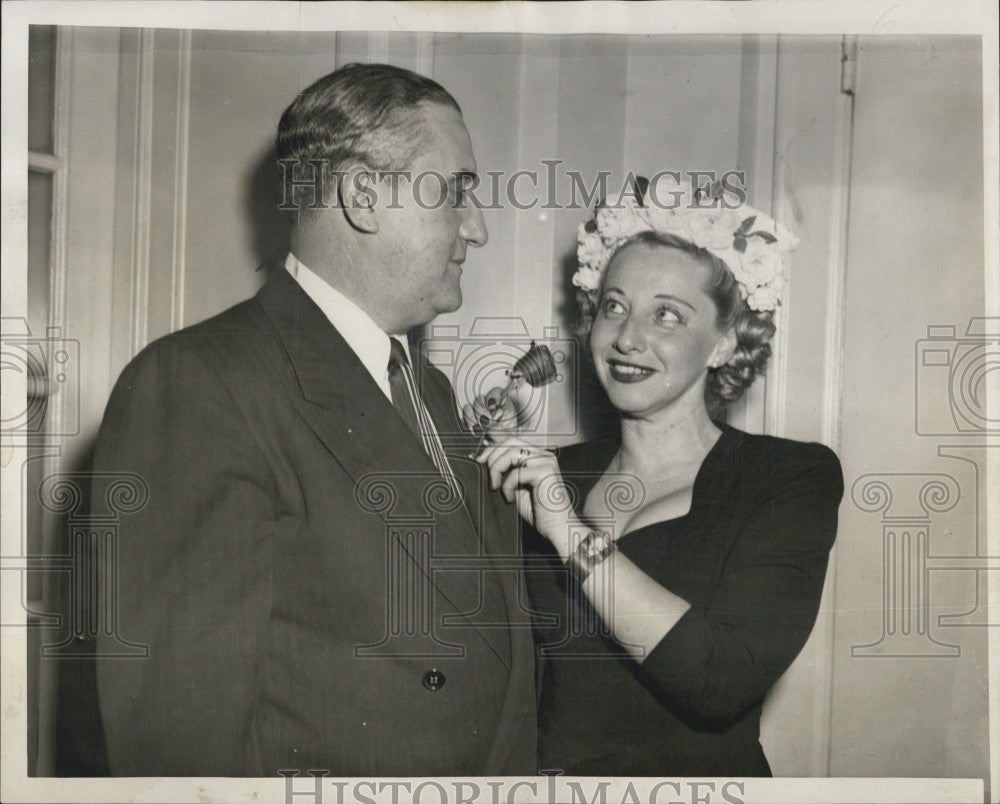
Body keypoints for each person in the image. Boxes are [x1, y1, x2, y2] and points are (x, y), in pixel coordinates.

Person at [93, 63, 537, 777]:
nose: (477, 228)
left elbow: (495, 658)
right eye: (456, 193)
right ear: (363, 196)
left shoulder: (433, 391)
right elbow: (177, 735)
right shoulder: (201, 382)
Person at [476, 176, 843, 776]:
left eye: (667, 315)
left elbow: (719, 681)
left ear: (724, 343)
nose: (626, 338)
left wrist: (568, 532)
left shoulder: (788, 477)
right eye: (614, 306)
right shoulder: (553, 474)